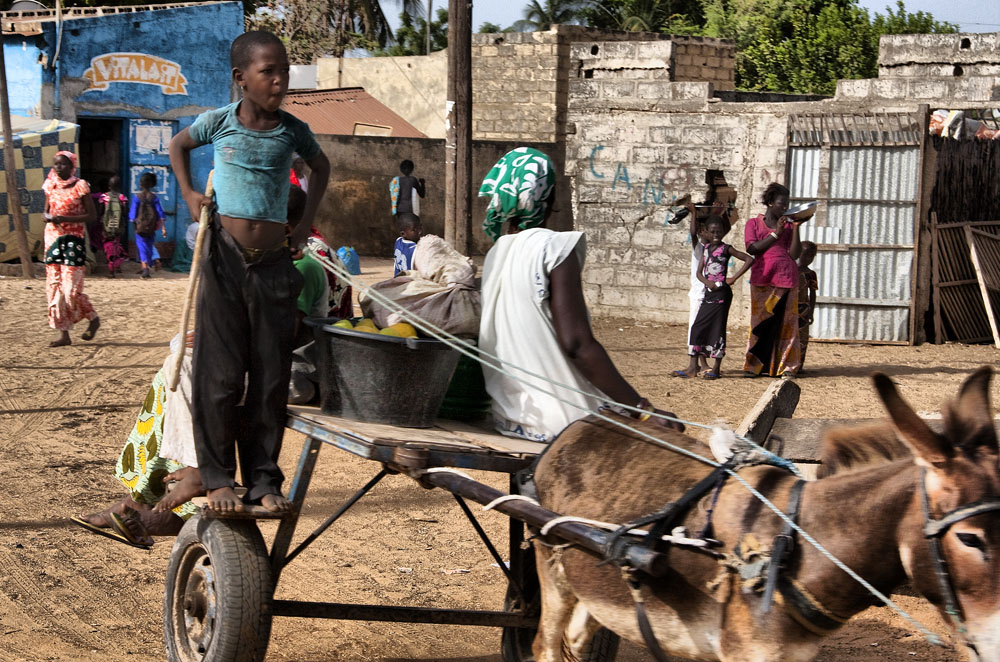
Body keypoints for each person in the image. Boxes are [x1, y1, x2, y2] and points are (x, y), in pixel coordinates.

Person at [168, 30, 330, 514]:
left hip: (274, 265)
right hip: (223, 261)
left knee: (269, 378)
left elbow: (321, 168)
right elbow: (178, 146)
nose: (280, 82)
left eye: (283, 72)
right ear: (242, 79)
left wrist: (302, 225)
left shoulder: (293, 131)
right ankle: (218, 479)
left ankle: (262, 482)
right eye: (268, 72)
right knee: (219, 377)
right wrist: (189, 196)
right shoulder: (219, 123)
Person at [478, 147, 682, 443]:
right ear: (548, 199)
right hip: (566, 423)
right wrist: (643, 410)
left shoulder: (496, 254)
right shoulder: (553, 247)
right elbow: (576, 344)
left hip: (512, 419)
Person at [673, 216, 753, 380]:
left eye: (719, 231)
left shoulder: (726, 249)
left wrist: (733, 278)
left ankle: (715, 368)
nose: (716, 234)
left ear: (723, 232)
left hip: (722, 294)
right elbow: (699, 273)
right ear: (708, 232)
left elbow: (749, 259)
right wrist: (708, 283)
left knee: (718, 328)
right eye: (713, 231)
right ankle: (692, 367)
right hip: (710, 293)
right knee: (697, 327)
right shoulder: (706, 249)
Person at [743, 182, 804, 379]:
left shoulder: (788, 226)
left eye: (787, 204)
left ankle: (786, 367)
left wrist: (795, 229)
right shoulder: (753, 224)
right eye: (781, 204)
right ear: (770, 203)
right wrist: (776, 233)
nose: (785, 208)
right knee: (760, 325)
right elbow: (753, 249)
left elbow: (794, 254)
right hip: (762, 280)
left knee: (787, 327)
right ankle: (755, 366)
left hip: (787, 280)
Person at [42, 151, 101, 347]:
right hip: (53, 239)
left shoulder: (80, 186)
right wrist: (48, 217)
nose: (59, 168)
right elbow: (46, 209)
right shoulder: (50, 184)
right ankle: (64, 334)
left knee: (71, 290)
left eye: (63, 164)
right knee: (55, 287)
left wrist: (65, 219)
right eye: (56, 164)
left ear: (72, 166)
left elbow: (91, 215)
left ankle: (93, 318)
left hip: (73, 241)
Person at [686, 201, 712, 376]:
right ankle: (696, 364)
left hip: (708, 295)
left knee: (704, 330)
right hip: (698, 295)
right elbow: (693, 233)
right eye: (709, 230)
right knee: (696, 329)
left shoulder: (714, 248)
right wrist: (693, 213)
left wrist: (718, 212)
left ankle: (700, 363)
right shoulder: (699, 248)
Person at [129, 171, 167, 279]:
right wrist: (163, 227)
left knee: (142, 247)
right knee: (149, 247)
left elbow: (132, 214)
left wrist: (134, 222)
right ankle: (147, 265)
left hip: (140, 227)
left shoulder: (137, 197)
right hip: (151, 227)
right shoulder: (154, 198)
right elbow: (160, 213)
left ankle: (145, 269)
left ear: (140, 185)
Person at [99, 176, 129, 277]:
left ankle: (111, 270)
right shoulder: (122, 197)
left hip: (106, 225)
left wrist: (102, 220)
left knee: (108, 246)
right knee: (116, 245)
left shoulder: (104, 196)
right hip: (117, 225)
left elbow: (101, 211)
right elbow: (125, 212)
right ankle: (117, 265)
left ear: (109, 186)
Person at [797, 240, 819, 371]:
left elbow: (813, 293)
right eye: (804, 255)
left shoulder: (811, 274)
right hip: (790, 309)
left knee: (803, 339)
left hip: (804, 310)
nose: (807, 259)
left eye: (810, 256)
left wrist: (811, 311)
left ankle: (799, 365)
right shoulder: (791, 270)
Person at [393, 212, 422, 276]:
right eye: (414, 230)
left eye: (420, 227)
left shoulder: (398, 241)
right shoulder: (416, 249)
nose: (420, 231)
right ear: (403, 234)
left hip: (397, 280)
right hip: (411, 283)